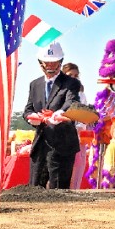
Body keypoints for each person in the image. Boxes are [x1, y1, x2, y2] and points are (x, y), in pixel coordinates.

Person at [22, 42, 82, 189]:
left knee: (59, 191)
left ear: (60, 62)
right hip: (41, 144)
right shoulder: (34, 84)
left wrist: (59, 114)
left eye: (54, 62)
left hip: (63, 144)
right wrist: (32, 118)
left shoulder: (71, 83)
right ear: (40, 63)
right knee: (35, 189)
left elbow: (71, 102)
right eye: (46, 62)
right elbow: (28, 109)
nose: (50, 66)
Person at [61, 62, 89, 190]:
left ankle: (74, 193)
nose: (73, 77)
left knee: (77, 168)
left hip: (78, 136)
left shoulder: (81, 93)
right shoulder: (58, 92)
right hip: (61, 135)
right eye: (70, 74)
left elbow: (84, 115)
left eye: (76, 75)